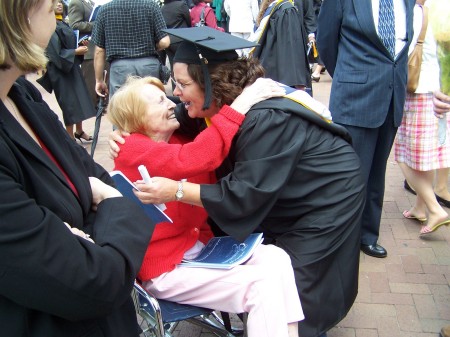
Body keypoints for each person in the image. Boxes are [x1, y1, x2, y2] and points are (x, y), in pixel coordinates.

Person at [110, 27, 365, 337]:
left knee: (300, 281)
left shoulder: (266, 117)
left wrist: (176, 189)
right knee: (271, 274)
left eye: (183, 84)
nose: (175, 93)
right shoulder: (210, 106)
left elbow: (242, 195)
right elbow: (182, 135)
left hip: (322, 197)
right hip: (273, 196)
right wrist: (128, 131)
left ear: (209, 82)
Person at [0, 0, 156, 336]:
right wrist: (111, 203)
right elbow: (94, 281)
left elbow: (91, 172)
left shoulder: (20, 94)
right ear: (15, 12)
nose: (57, 4)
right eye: (48, 3)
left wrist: (77, 234)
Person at [108, 75, 302, 337]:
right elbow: (198, 156)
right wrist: (242, 103)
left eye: (167, 96)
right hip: (164, 270)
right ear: (136, 119)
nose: (171, 103)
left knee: (276, 258)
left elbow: (201, 151)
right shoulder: (131, 148)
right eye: (159, 101)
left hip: (196, 251)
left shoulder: (175, 139)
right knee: (261, 286)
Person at [317, 0, 415, 258]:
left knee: (376, 172)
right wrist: (352, 77)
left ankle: (367, 234)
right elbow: (326, 42)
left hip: (392, 97)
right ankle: (339, 237)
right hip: (354, 97)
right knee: (348, 174)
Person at [394, 0, 450, 236]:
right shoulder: (442, 8)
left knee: (402, 155)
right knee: (424, 156)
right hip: (437, 89)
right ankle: (420, 207)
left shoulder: (419, 12)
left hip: (418, 89)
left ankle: (435, 209)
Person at [37, 0, 96, 142]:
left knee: (79, 99)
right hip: (60, 70)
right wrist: (75, 51)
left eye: (60, 2)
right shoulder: (49, 25)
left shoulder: (62, 22)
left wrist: (80, 43)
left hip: (71, 67)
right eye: (55, 2)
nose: (58, 4)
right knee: (69, 103)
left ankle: (79, 131)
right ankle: (70, 137)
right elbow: (54, 54)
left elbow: (68, 42)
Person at [91, 0, 170, 99]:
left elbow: (99, 51)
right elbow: (165, 42)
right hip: (148, 65)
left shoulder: (104, 10)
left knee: (121, 108)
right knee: (152, 104)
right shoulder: (151, 6)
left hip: (120, 69)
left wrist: (99, 80)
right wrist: (153, 46)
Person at [248, 0, 312, 91]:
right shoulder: (287, 10)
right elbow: (292, 50)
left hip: (267, 73)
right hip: (284, 81)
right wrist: (299, 83)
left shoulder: (273, 8)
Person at [68, 0, 98, 108]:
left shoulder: (90, 2)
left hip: (97, 47)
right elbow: (74, 25)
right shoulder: (76, 3)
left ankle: (98, 106)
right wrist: (95, 24)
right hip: (88, 49)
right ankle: (91, 108)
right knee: (91, 82)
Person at [161, 0, 191, 72]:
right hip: (181, 39)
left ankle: (174, 82)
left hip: (168, 41)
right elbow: (188, 20)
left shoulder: (163, 8)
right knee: (186, 65)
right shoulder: (181, 5)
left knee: (173, 67)